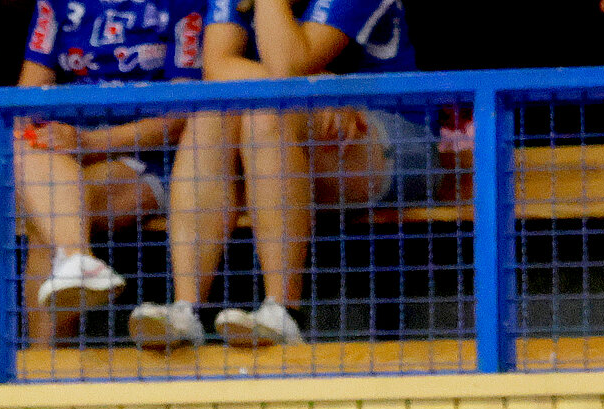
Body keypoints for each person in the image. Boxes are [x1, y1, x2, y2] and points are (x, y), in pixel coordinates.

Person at [129, 0, 438, 349]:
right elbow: (216, 67)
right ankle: (187, 310)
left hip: (394, 140)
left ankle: (283, 312)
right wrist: (317, 89)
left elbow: (288, 63)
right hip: (300, 136)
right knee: (209, 118)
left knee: (265, 112)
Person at [12, 0, 206, 331]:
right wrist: (35, 138)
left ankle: (46, 369)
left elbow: (178, 119)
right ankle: (77, 261)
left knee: (52, 218)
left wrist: (89, 144)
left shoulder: (182, 4)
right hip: (72, 145)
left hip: (150, 154)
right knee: (28, 151)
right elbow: (22, 105)